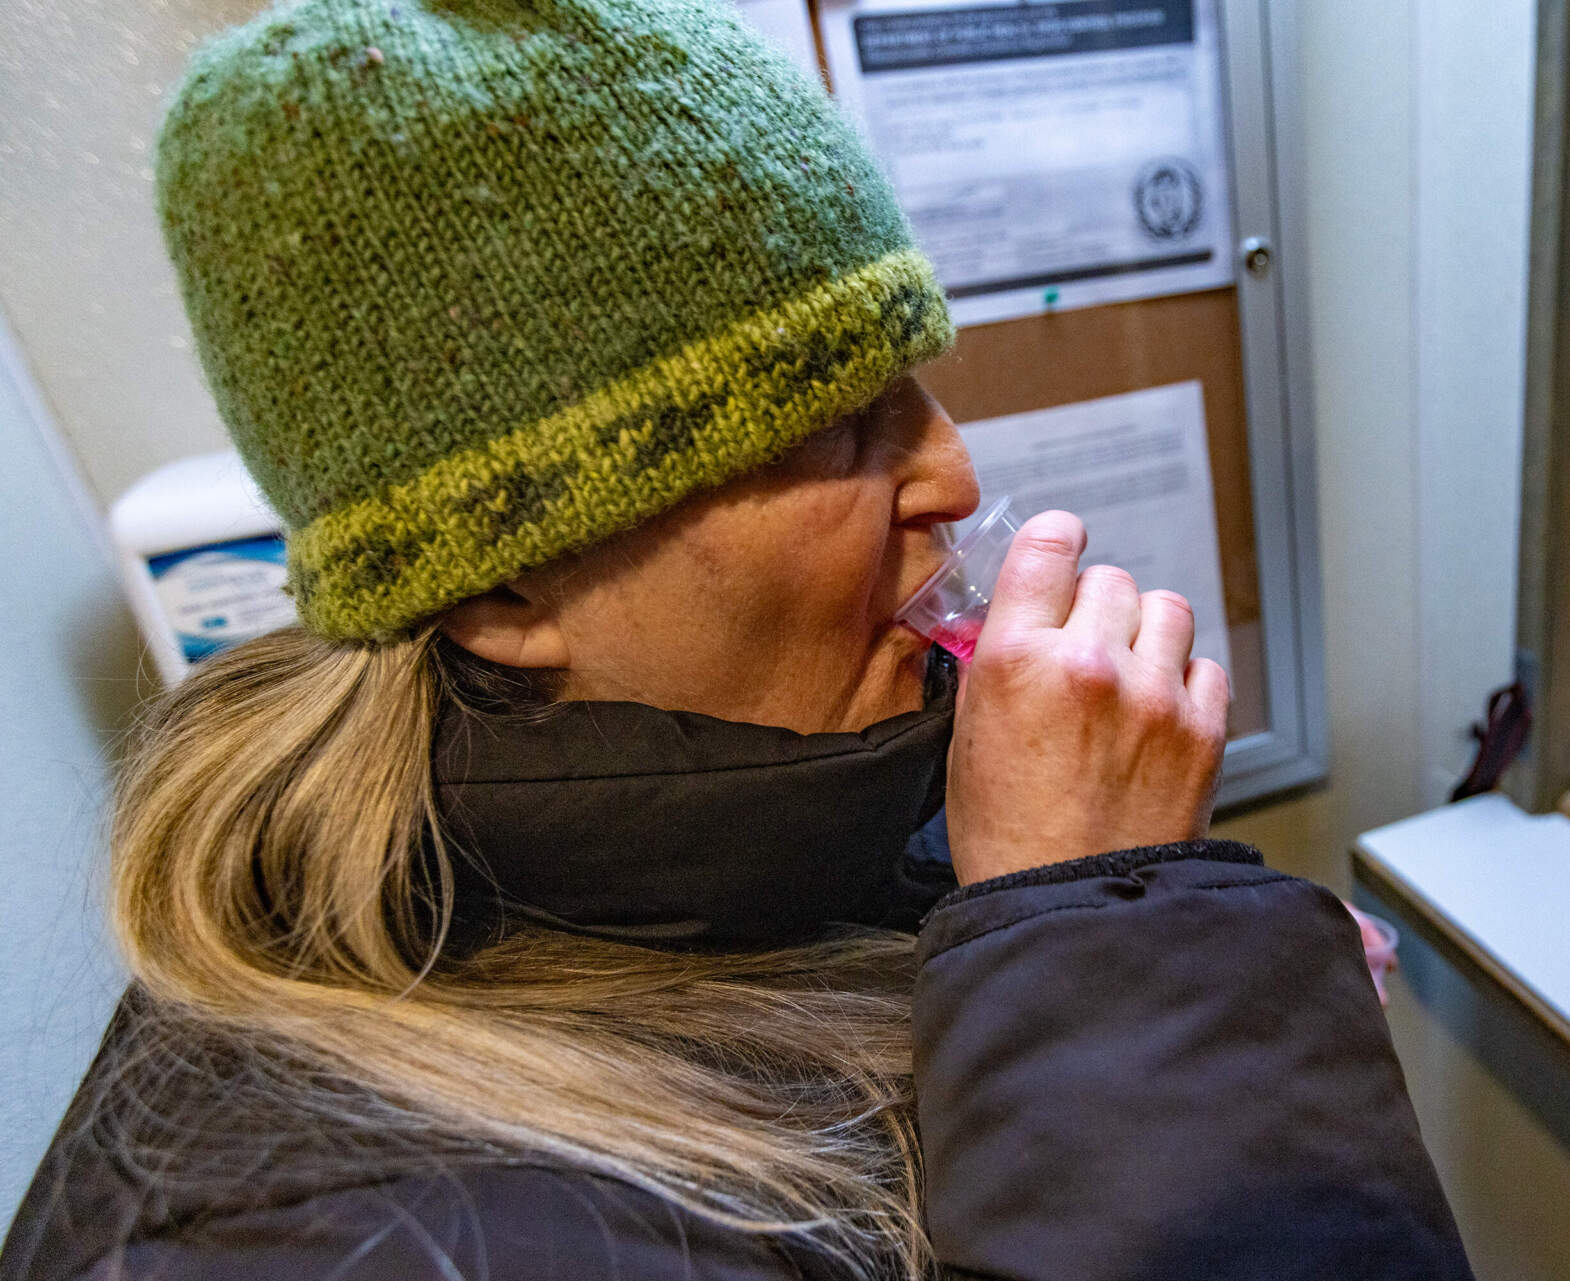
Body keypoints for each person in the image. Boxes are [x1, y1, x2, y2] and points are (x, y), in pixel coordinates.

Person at [0, 0, 1471, 1277]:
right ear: (502, 591)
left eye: (915, 379)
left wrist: (1151, 975)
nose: (952, 473)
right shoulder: (344, 1237)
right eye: (837, 425)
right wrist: (1116, 961)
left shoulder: (792, 792)